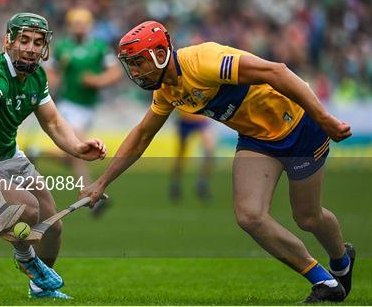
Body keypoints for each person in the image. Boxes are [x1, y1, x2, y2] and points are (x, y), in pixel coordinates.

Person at [80, 20, 355, 303]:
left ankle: (341, 260)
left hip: (300, 126)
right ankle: (324, 281)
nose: (134, 72)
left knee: (307, 217)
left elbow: (277, 71)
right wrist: (101, 182)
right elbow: (141, 136)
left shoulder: (204, 61)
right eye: (131, 65)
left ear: (160, 54)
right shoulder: (166, 91)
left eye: (139, 62)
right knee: (249, 216)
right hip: (256, 139)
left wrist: (324, 118)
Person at [0, 12, 106, 299]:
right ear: (8, 42)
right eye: (24, 40)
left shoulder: (37, 76)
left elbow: (53, 122)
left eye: (38, 42)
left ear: (45, 48)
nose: (31, 48)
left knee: (52, 226)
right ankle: (26, 258)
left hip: (10, 157)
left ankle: (39, 288)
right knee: (26, 208)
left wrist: (78, 148)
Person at [46, 7, 121, 216]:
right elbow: (51, 71)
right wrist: (54, 81)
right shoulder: (62, 47)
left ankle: (37, 153)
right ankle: (91, 194)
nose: (79, 27)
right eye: (75, 23)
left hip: (88, 107)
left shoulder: (99, 47)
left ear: (89, 25)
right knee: (80, 145)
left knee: (72, 154)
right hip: (68, 105)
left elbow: (115, 72)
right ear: (70, 25)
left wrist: (98, 80)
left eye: (82, 23)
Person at [169, 111, 215, 202]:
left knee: (209, 151)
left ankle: (202, 184)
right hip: (185, 120)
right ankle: (175, 184)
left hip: (201, 119)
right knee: (181, 154)